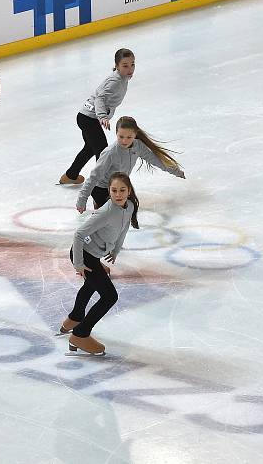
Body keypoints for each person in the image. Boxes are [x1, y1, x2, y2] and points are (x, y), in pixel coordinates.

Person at [60, 172, 139, 356]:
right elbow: (79, 235)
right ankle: (80, 334)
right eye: (114, 190)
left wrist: (116, 249)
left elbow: (125, 226)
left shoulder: (130, 206)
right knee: (109, 296)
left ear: (129, 191)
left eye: (122, 190)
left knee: (91, 284)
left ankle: (75, 318)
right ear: (109, 191)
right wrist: (78, 264)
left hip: (94, 255)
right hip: (84, 255)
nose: (118, 194)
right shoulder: (106, 211)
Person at [59, 48, 135, 185]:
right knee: (102, 151)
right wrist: (102, 117)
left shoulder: (122, 78)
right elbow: (100, 98)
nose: (130, 69)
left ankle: (71, 175)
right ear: (117, 66)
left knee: (90, 148)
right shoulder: (116, 81)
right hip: (89, 119)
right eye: (125, 66)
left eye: (132, 65)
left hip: (85, 116)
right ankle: (101, 186)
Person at [77, 116, 184, 212]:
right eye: (121, 136)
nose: (124, 141)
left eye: (129, 137)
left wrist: (175, 170)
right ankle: (99, 208)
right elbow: (94, 177)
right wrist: (82, 199)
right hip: (102, 189)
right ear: (116, 134)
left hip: (121, 186)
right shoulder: (110, 153)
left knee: (129, 211)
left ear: (135, 134)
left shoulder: (138, 146)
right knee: (112, 218)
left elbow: (155, 160)